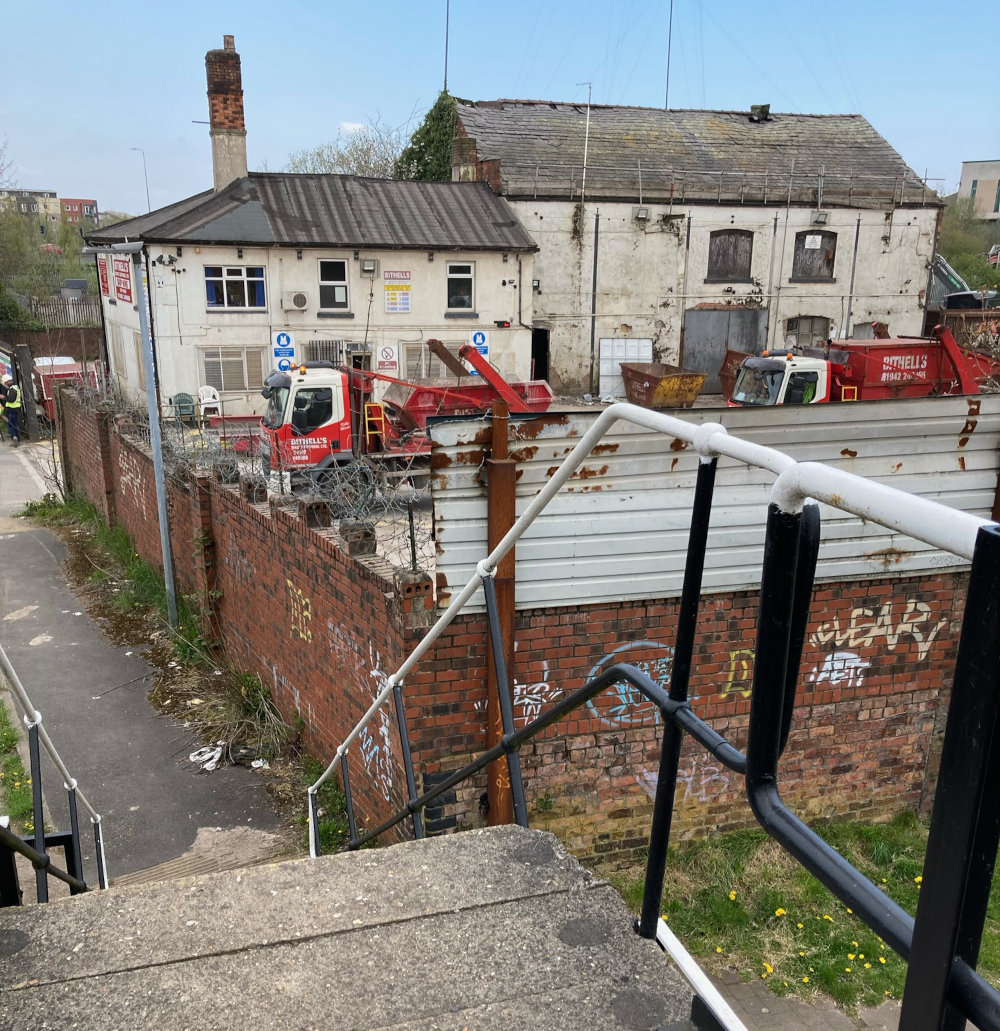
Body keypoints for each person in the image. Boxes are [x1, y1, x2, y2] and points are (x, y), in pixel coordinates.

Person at [2, 374, 21, 446]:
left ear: (7, 381)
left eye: (5, 382)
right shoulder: (15, 388)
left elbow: (11, 399)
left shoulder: (13, 389)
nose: (4, 384)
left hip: (12, 409)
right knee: (15, 424)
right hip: (15, 409)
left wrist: (4, 397)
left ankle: (14, 437)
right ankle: (17, 439)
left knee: (11, 425)